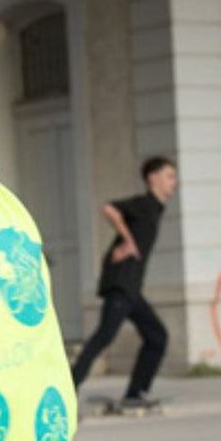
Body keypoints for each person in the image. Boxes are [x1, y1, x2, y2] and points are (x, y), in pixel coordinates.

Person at [71, 156, 178, 407]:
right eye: (169, 176)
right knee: (104, 336)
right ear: (152, 178)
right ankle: (68, 387)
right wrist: (128, 241)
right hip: (121, 282)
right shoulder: (144, 204)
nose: (174, 182)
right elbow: (108, 208)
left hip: (131, 287)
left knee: (156, 336)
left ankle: (134, 394)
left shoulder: (155, 209)